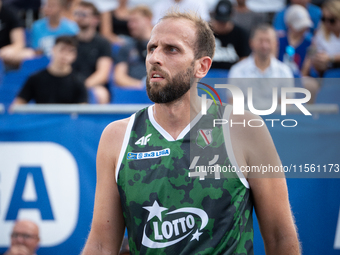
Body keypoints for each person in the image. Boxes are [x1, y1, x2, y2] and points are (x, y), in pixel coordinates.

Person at [81, 10, 300, 255]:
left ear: (202, 67)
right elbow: (101, 246)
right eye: (152, 48)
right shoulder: (117, 136)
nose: (155, 58)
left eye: (171, 49)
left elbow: (281, 238)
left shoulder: (244, 130)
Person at [228, 24, 294, 109]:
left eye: (268, 41)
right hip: (246, 120)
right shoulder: (237, 70)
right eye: (260, 41)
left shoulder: (284, 71)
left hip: (276, 120)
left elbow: (286, 107)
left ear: (275, 44)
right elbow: (234, 106)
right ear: (251, 43)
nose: (264, 46)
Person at [12, 36, 87, 105]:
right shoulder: (36, 78)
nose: (65, 54)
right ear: (53, 49)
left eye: (70, 51)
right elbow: (17, 105)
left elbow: (83, 111)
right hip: (41, 119)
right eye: (62, 49)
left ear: (75, 55)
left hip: (68, 119)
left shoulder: (78, 81)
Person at [72, 1, 113, 104]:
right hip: (70, 84)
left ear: (95, 19)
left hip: (93, 85)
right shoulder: (69, 42)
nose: (80, 17)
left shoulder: (103, 43)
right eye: (77, 13)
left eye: (84, 14)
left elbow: (102, 75)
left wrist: (80, 87)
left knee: (101, 93)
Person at [113, 5, 153, 88]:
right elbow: (119, 77)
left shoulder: (160, 45)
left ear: (147, 19)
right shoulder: (126, 47)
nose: (131, 25)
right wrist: (143, 85)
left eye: (135, 21)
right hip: (135, 91)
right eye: (129, 22)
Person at [210, 0, 251, 70]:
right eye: (219, 21)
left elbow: (245, 59)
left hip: (232, 75)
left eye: (224, 22)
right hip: (207, 75)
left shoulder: (241, 34)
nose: (221, 25)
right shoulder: (205, 32)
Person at [309, 0, 340, 76]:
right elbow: (312, 52)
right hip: (325, 72)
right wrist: (317, 60)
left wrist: (331, 58)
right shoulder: (321, 30)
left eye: (332, 20)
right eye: (323, 19)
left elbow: (329, 58)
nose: (327, 23)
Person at [0, 0, 35, 68]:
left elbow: (19, 43)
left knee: (29, 54)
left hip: (5, 53)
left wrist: (10, 50)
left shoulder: (10, 12)